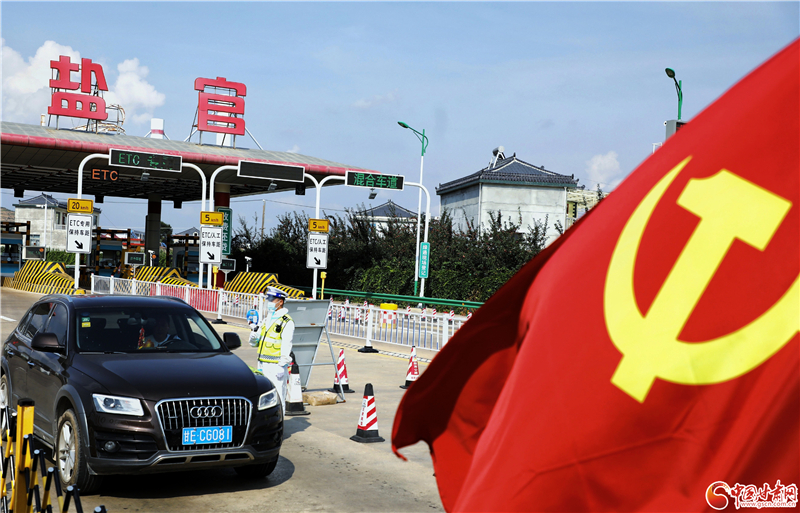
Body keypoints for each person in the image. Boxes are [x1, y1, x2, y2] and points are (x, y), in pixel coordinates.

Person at [256, 286, 294, 414]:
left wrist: (282, 365)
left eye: (272, 299)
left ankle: (280, 422)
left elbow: (287, 344)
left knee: (278, 395)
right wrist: (254, 334)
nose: (269, 302)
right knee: (264, 397)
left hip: (276, 366)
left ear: (280, 302)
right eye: (269, 299)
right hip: (262, 363)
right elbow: (257, 342)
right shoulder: (267, 319)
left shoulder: (286, 322)